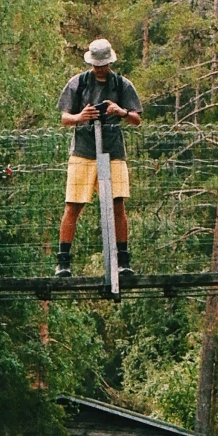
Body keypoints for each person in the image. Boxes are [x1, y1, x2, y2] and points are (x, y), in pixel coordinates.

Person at [54, 37, 142, 278]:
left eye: (104, 64)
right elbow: (64, 118)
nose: (100, 68)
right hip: (83, 149)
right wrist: (81, 116)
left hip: (113, 150)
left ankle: (123, 260)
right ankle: (63, 261)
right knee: (73, 205)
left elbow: (136, 119)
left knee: (118, 203)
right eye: (97, 64)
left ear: (110, 62)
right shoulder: (78, 83)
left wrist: (120, 111)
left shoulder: (123, 85)